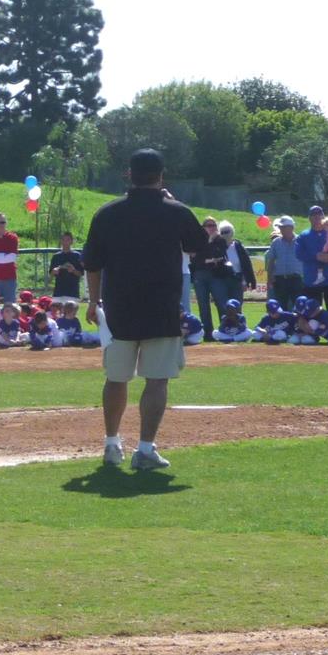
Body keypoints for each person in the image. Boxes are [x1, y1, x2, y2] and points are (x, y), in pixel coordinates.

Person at [83, 149, 208, 472]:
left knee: (116, 378)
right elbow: (200, 245)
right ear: (161, 176)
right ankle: (145, 449)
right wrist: (174, 202)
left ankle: (112, 444)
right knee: (157, 380)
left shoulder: (107, 213)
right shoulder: (175, 211)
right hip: (161, 308)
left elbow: (92, 263)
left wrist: (93, 302)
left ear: (129, 174)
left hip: (118, 307)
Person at [294, 206, 328, 317]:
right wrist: (316, 256)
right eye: (314, 216)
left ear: (324, 217)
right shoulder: (304, 236)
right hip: (312, 279)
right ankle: (313, 334)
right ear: (309, 218)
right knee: (312, 311)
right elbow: (299, 254)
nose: (317, 218)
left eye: (319, 215)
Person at [188, 216, 228, 341]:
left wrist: (208, 250)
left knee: (221, 303)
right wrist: (209, 246)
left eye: (214, 225)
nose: (212, 228)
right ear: (203, 228)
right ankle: (208, 334)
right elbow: (196, 258)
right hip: (200, 274)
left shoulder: (220, 240)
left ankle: (224, 331)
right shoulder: (197, 240)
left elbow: (220, 255)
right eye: (209, 225)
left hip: (216, 275)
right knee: (203, 305)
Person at [215, 222, 256, 317]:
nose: (225, 234)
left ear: (232, 232)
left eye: (227, 231)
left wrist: (247, 281)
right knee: (223, 307)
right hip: (222, 280)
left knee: (237, 306)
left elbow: (246, 265)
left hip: (237, 279)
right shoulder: (216, 247)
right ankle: (225, 328)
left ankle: (239, 327)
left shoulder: (238, 246)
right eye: (223, 232)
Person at [264, 216, 303, 309]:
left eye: (283, 227)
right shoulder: (276, 242)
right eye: (280, 227)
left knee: (298, 308)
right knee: (281, 307)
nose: (281, 229)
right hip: (280, 280)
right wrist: (269, 279)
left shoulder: (301, 241)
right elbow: (271, 261)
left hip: (297, 280)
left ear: (291, 227)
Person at [49, 233, 84, 301]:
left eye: (67, 240)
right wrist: (54, 271)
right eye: (63, 240)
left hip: (72, 293)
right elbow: (50, 277)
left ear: (72, 241)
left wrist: (73, 270)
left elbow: (81, 274)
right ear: (61, 241)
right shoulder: (56, 256)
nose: (65, 242)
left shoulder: (77, 255)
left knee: (70, 311)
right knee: (57, 311)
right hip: (58, 292)